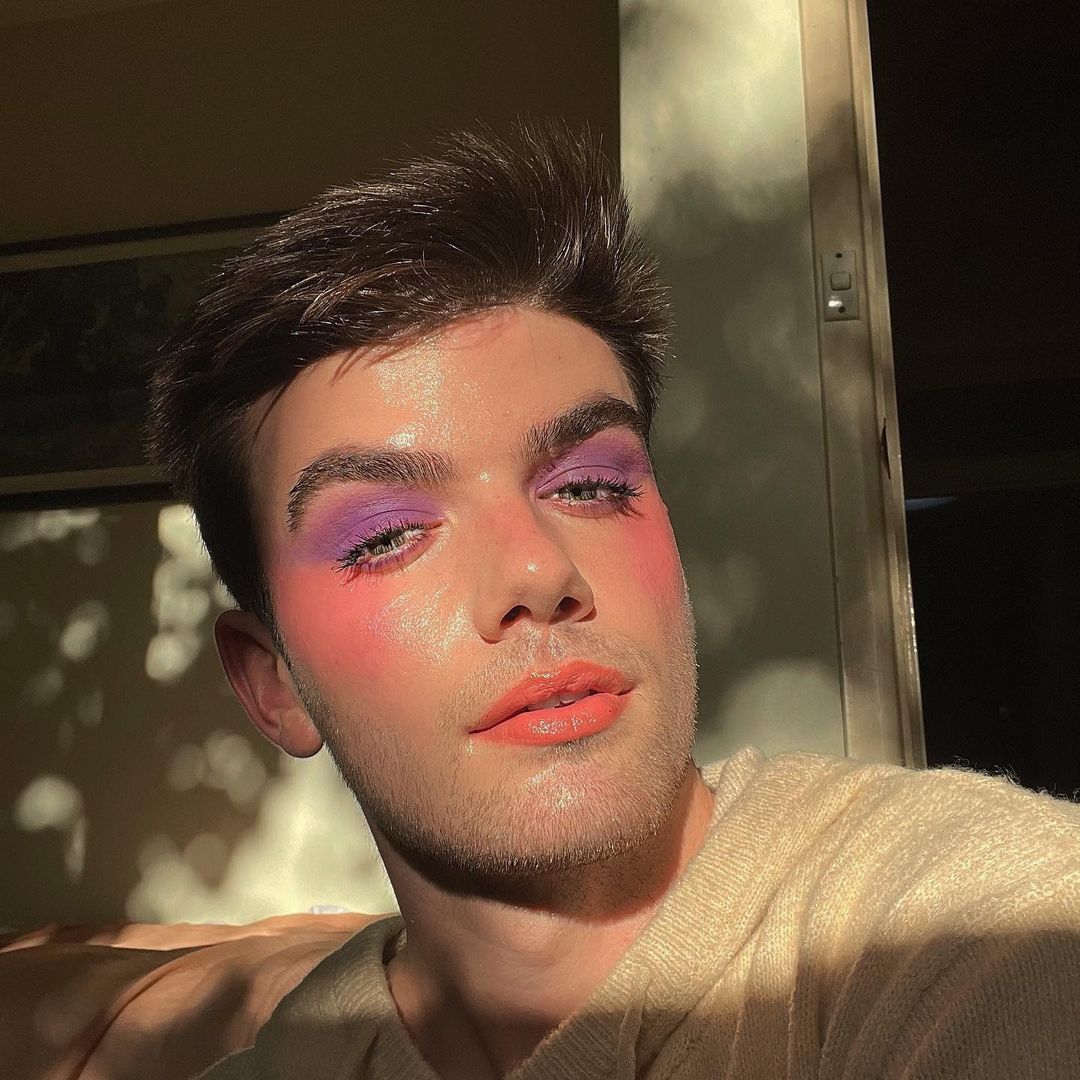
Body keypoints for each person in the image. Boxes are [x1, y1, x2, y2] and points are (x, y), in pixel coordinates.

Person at [143, 124, 1080, 1079]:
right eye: (386, 535)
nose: (537, 573)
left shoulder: (993, 929)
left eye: (588, 486)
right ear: (272, 683)